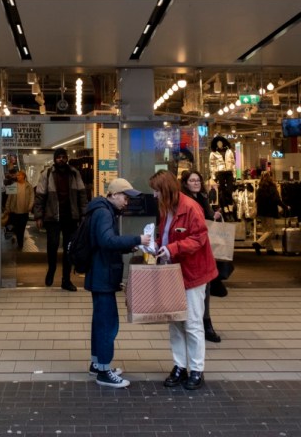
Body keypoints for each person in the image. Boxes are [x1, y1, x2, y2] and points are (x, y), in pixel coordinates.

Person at [149, 170, 217, 391]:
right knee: (176, 322)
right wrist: (156, 244)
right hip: (173, 272)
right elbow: (166, 235)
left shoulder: (190, 208)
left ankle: (196, 368)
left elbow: (198, 238)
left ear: (166, 190)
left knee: (193, 322)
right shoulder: (166, 208)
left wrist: (171, 248)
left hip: (192, 273)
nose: (154, 195)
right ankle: (180, 366)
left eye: (156, 191)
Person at [84, 178, 150, 388]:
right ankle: (104, 371)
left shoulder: (101, 210)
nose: (127, 202)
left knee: (100, 322)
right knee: (108, 324)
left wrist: (127, 248)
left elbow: (105, 243)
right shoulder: (104, 213)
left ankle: (97, 363)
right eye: (124, 196)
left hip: (100, 273)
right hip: (102, 275)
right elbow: (106, 241)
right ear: (112, 195)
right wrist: (137, 240)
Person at [180, 171, 226, 344]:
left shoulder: (203, 197)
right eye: (192, 180)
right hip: (192, 250)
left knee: (205, 288)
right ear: (185, 183)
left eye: (198, 180)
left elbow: (206, 219)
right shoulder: (185, 200)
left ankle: (205, 322)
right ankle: (198, 323)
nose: (196, 183)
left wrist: (213, 215)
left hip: (205, 248)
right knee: (196, 290)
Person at [33, 148, 88, 291]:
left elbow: (82, 196)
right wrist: (38, 216)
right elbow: (39, 196)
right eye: (59, 157)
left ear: (67, 158)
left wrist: (84, 214)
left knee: (69, 249)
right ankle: (51, 269)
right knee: (52, 245)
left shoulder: (75, 174)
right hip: (52, 217)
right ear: (54, 159)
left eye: (64, 157)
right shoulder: (48, 174)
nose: (61, 160)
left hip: (70, 217)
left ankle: (66, 280)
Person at [254, 171, 283, 255]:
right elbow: (277, 200)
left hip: (261, 212)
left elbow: (256, 201)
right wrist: (284, 206)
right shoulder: (272, 187)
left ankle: (269, 249)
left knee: (265, 231)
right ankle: (258, 243)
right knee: (271, 231)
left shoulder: (259, 188)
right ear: (270, 177)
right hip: (269, 212)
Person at [4, 171, 34, 250]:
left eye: (19, 175)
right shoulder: (13, 185)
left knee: (22, 228)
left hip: (24, 211)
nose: (17, 177)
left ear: (23, 176)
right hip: (14, 211)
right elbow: (9, 198)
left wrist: (30, 205)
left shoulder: (28, 186)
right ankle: (18, 241)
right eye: (17, 175)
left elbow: (32, 197)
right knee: (16, 228)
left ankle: (20, 243)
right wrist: (7, 208)